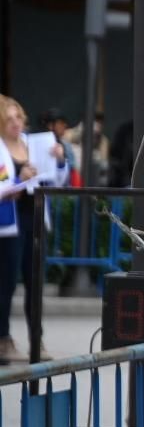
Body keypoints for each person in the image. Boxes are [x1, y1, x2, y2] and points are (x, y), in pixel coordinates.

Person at [0, 97, 66, 362]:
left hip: (35, 220)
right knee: (6, 284)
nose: (16, 123)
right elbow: (3, 185)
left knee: (35, 282)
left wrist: (59, 161)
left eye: (19, 117)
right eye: (9, 119)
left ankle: (36, 340)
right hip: (9, 224)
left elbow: (56, 181)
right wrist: (19, 179)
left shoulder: (35, 144)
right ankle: (3, 339)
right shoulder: (0, 148)